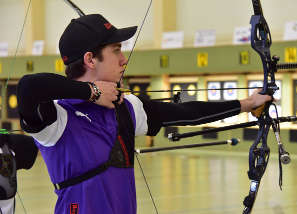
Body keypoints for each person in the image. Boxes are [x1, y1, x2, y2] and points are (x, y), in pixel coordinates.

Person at [17, 14, 271, 214]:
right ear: (90, 59)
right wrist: (92, 91)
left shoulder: (126, 107)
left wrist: (246, 103)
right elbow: (29, 86)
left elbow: (185, 112)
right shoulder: (57, 118)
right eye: (116, 50)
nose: (124, 59)